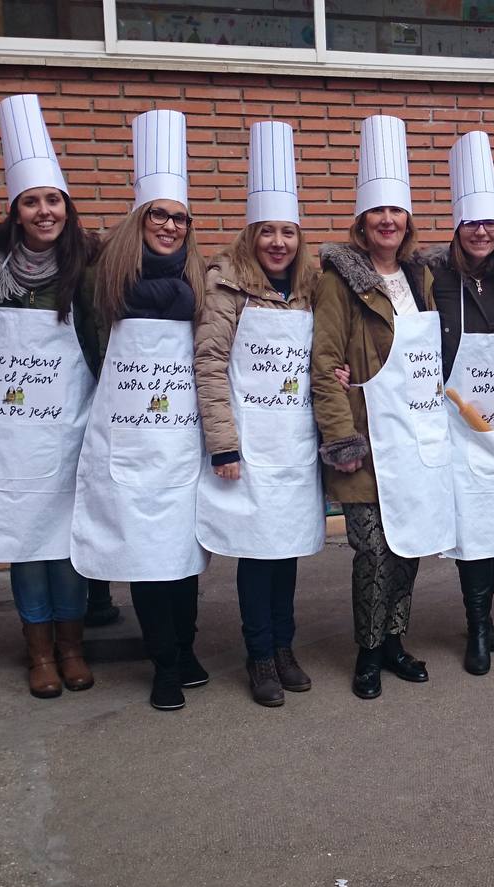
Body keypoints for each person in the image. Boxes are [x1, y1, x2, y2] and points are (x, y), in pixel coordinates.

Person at [0, 94, 100, 700]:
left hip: (69, 423)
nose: (45, 211)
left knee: (65, 541)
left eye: (53, 200)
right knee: (23, 538)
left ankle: (72, 646)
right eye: (32, 201)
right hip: (8, 428)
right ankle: (38, 649)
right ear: (15, 210)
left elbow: (100, 336)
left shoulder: (89, 262)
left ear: (67, 206)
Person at [72, 109, 209, 712]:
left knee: (183, 553)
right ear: (139, 219)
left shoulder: (202, 281)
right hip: (126, 436)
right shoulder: (103, 278)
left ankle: (188, 647)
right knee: (147, 555)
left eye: (180, 218)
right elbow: (83, 346)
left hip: (181, 437)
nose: (170, 227)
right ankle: (164, 663)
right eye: (159, 215)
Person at [311, 115, 446, 700]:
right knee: (371, 548)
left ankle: (394, 640)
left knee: (408, 542)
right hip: (366, 438)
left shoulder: (421, 278)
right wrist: (340, 436)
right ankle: (367, 652)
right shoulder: (339, 280)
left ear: (407, 220)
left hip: (414, 433)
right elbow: (324, 362)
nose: (387, 220)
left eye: (396, 211)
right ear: (362, 222)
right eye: (377, 212)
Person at [195, 122, 323, 707]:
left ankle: (285, 645)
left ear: (299, 238)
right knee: (256, 552)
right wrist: (223, 444)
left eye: (288, 231)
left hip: (294, 443)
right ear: (251, 236)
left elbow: (323, 357)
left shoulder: (311, 289)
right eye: (267, 231)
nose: (278, 242)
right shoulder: (226, 287)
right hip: (247, 445)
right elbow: (209, 365)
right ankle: (260, 655)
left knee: (286, 548)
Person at [419, 131, 494, 677]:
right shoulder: (433, 277)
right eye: (471, 222)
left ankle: (484, 612)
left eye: (490, 222)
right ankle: (475, 625)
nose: (481, 231)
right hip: (459, 424)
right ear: (456, 228)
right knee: (471, 525)